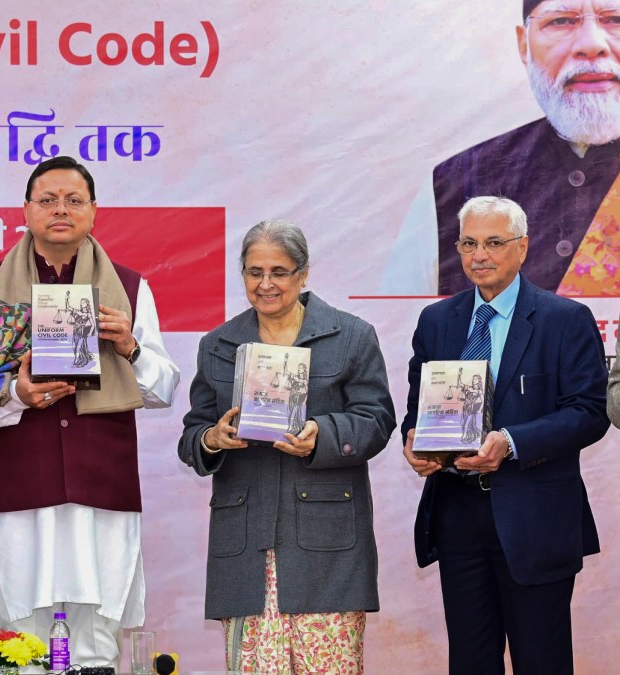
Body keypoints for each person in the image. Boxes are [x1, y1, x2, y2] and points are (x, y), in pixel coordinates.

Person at [0, 156, 180, 668]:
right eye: (47, 200)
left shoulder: (128, 289)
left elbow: (164, 387)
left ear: (94, 210)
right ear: (26, 210)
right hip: (20, 489)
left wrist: (130, 347)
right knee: (20, 642)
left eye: (74, 200)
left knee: (96, 641)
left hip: (102, 490)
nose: (60, 210)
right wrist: (13, 393)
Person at [402, 196, 609, 674]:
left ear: (523, 247)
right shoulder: (437, 321)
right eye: (469, 243)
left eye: (494, 242)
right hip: (457, 515)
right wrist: (415, 442)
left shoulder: (565, 319)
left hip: (535, 517)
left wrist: (511, 442)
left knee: (541, 661)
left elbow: (588, 413)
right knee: (471, 661)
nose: (480, 255)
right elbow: (417, 410)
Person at [178, 220, 396, 674]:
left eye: (279, 271)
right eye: (254, 272)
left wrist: (322, 434)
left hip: (327, 547)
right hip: (245, 551)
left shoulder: (351, 336)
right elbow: (193, 433)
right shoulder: (217, 345)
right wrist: (212, 439)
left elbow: (377, 421)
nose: (266, 284)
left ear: (303, 273)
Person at [386, 0, 620, 296]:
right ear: (524, 45)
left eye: (616, 20)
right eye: (561, 21)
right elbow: (398, 315)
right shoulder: (454, 183)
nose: (591, 44)